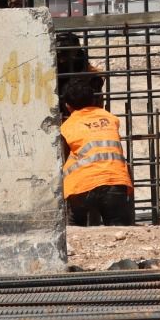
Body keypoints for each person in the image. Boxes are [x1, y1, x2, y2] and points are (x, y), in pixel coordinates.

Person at [59, 71, 135, 227]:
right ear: (94, 99)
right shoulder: (111, 119)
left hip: (81, 186)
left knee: (75, 227)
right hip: (116, 181)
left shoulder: (67, 126)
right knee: (118, 227)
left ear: (67, 106)